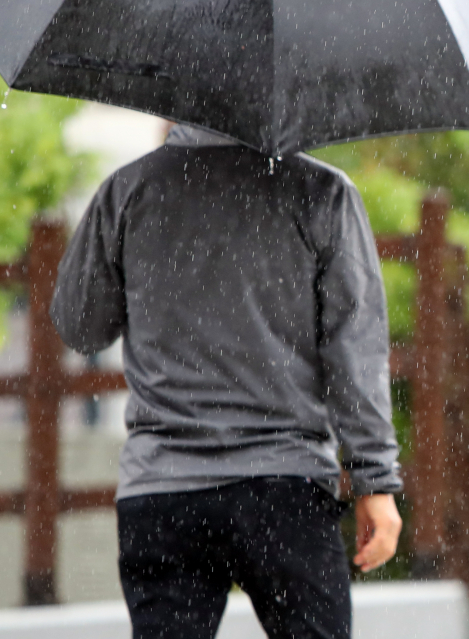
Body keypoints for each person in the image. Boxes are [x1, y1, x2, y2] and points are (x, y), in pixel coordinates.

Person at [50, 124, 403, 639]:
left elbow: (80, 327)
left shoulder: (130, 190)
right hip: (285, 488)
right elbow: (355, 350)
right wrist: (375, 480)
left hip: (164, 491)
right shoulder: (322, 193)